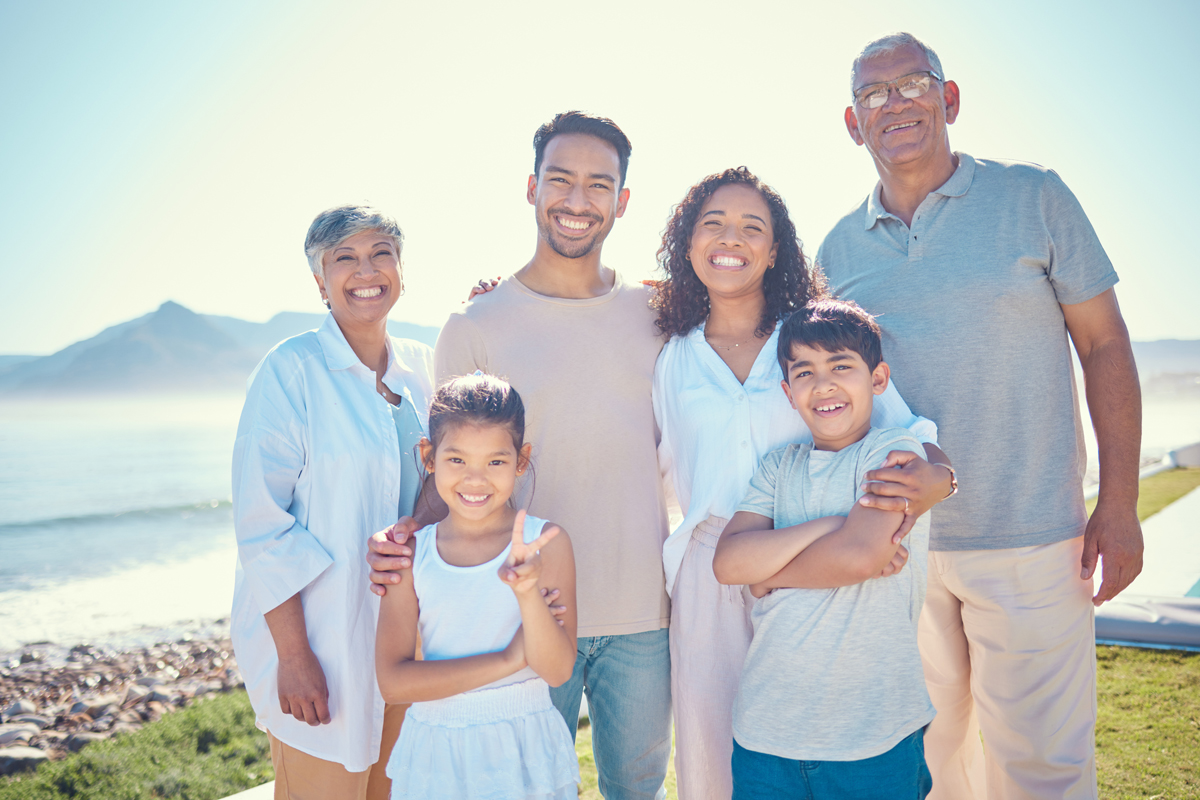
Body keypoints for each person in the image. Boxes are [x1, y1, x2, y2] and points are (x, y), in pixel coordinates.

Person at [818, 32, 1144, 799]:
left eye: (913, 84)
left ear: (949, 98)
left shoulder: (1034, 197)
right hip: (899, 550)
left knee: (1043, 773)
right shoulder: (836, 248)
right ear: (852, 122)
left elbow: (1104, 344)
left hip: (1033, 538)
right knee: (928, 774)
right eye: (874, 94)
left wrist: (1121, 504)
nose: (894, 103)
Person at [369, 111, 673, 799]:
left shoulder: (660, 316)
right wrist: (405, 534)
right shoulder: (474, 325)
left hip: (641, 609)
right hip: (520, 610)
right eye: (560, 179)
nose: (576, 200)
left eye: (599, 184)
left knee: (639, 790)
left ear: (622, 202)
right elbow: (452, 466)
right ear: (532, 187)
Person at [650, 166, 953, 800]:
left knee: (824, 726)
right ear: (688, 242)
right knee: (713, 759)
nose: (731, 238)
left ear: (775, 248)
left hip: (829, 554)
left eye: (751, 226)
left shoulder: (811, 335)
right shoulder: (671, 351)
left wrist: (943, 476)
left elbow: (905, 425)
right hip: (716, 560)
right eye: (713, 224)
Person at [230, 204, 435, 799]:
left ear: (401, 269)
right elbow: (261, 525)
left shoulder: (423, 368)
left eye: (381, 254)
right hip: (324, 641)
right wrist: (293, 657)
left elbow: (463, 462)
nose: (365, 270)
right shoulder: (291, 371)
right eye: (344, 258)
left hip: (407, 645)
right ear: (320, 282)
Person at [712, 299, 935, 800]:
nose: (824, 383)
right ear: (789, 393)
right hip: (766, 733)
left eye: (841, 366)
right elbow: (727, 563)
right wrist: (833, 525)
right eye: (805, 372)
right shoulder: (778, 467)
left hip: (873, 733)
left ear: (877, 379)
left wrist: (767, 573)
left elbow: (859, 557)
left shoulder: (894, 454)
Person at [375, 374, 580, 799]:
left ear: (521, 461)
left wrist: (527, 593)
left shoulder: (548, 544)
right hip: (435, 750)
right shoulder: (412, 553)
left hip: (524, 746)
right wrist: (508, 659)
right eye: (457, 460)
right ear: (428, 457)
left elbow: (557, 670)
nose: (475, 479)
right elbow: (393, 683)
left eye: (496, 462)